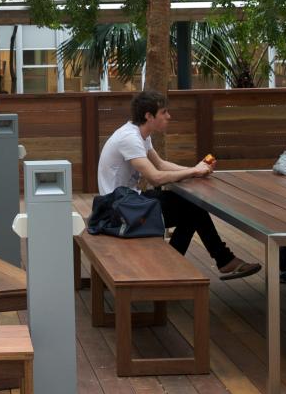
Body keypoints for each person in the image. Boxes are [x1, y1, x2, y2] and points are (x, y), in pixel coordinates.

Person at [97, 90, 260, 280]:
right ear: (148, 116)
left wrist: (196, 169)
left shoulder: (140, 134)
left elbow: (161, 164)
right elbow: (155, 178)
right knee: (192, 209)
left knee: (191, 208)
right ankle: (207, 262)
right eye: (164, 112)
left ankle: (190, 264)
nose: (169, 116)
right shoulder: (129, 138)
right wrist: (193, 172)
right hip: (118, 210)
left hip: (128, 200)